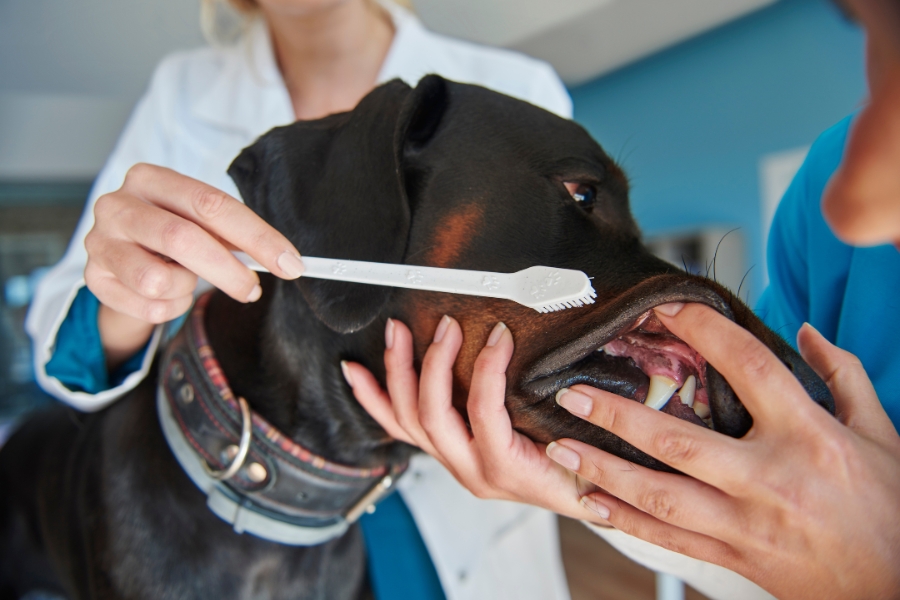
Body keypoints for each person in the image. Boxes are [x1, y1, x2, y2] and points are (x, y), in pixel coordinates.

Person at [343, 0, 900, 598]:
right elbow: (779, 539)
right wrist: (593, 493)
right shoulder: (822, 200)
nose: (849, 205)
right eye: (865, 32)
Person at [24, 1, 576, 598]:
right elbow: (61, 356)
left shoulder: (518, 90)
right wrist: (131, 294)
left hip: (450, 537)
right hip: (243, 536)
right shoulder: (182, 94)